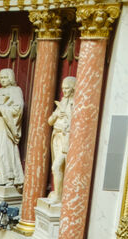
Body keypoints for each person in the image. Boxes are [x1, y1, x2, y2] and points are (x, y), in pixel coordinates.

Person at [47, 76, 75, 204]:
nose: (64, 91)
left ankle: (60, 195)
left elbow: (80, 124)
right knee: (58, 167)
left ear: (73, 88)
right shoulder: (62, 102)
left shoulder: (76, 103)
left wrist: (68, 116)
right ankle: (59, 193)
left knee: (57, 167)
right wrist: (57, 114)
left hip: (66, 138)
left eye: (67, 88)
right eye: (63, 88)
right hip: (56, 138)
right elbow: (50, 121)